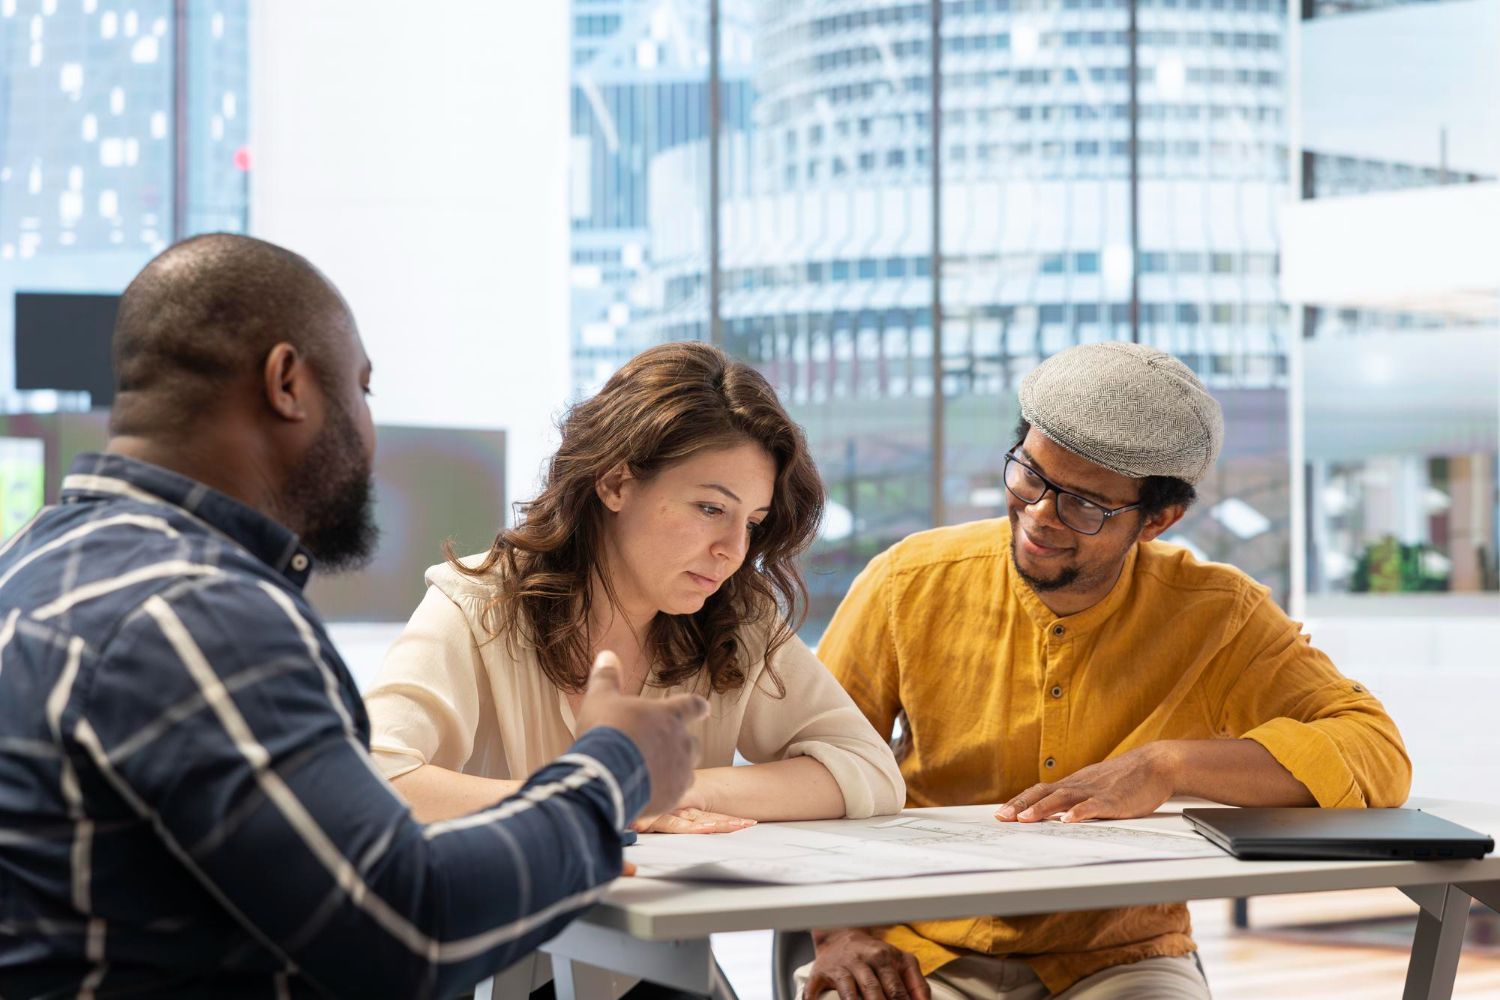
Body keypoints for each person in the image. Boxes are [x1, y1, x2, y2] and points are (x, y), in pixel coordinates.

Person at [0, 233, 708, 999]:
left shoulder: (30, 566)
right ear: (287, 383)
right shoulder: (196, 613)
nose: (368, 432)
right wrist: (616, 767)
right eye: (362, 390)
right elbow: (412, 923)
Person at [799, 342, 1411, 1000]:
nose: (1039, 515)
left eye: (1085, 506)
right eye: (1029, 476)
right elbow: (813, 769)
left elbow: (1377, 753)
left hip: (1120, 956)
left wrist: (1168, 765)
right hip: (914, 944)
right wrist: (839, 933)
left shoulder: (1219, 613)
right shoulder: (907, 581)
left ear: (1158, 520)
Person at [364, 341, 904, 833]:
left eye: (753, 522)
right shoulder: (477, 602)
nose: (733, 550)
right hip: (502, 937)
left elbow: (869, 769)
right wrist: (587, 801)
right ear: (616, 482)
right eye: (710, 508)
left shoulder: (738, 617)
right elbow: (374, 781)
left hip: (667, 937)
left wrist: (674, 789)